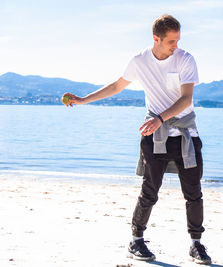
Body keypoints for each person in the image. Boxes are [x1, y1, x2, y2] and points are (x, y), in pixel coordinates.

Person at [61, 14, 211, 264]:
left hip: (185, 135)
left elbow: (186, 99)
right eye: (171, 41)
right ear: (156, 38)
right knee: (149, 191)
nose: (176, 46)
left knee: (193, 193)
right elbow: (117, 86)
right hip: (155, 135)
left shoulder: (185, 59)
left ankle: (196, 244)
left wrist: (160, 119)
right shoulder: (139, 61)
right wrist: (83, 99)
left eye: (178, 40)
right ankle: (136, 240)